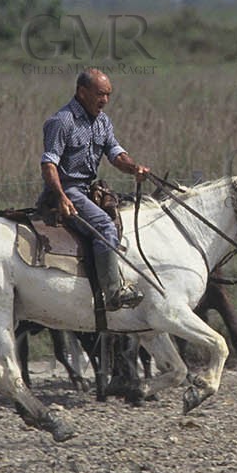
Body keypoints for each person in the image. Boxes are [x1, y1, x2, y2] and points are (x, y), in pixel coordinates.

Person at [38, 68, 151, 310]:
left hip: (88, 188)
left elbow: (116, 154)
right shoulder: (62, 121)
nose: (105, 101)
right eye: (100, 94)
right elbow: (49, 164)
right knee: (103, 226)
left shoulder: (102, 121)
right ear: (82, 92)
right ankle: (112, 293)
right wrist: (61, 197)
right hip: (68, 189)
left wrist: (134, 168)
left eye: (108, 95)